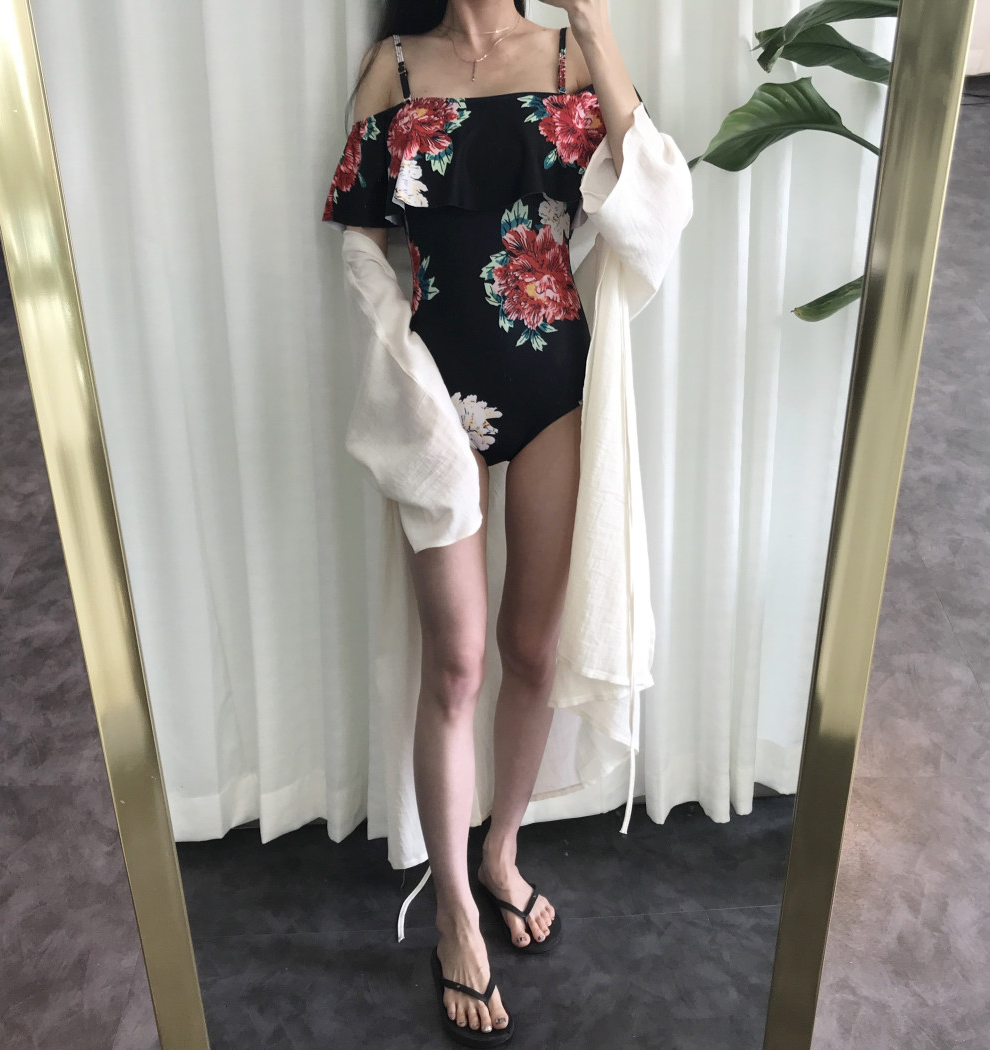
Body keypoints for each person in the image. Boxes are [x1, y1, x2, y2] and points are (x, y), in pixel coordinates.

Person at [323, 1, 691, 1044]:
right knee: (456, 666)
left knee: (531, 649)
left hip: (553, 392)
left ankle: (501, 852)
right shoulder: (395, 66)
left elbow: (657, 199)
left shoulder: (571, 54)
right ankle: (451, 907)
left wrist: (596, 25)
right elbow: (361, 245)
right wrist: (402, 379)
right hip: (428, 397)